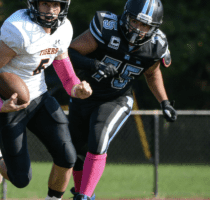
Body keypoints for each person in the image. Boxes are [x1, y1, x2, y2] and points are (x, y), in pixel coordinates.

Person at [0, 0, 92, 200]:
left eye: (56, 5)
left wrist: (76, 88)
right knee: (21, 179)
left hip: (39, 97)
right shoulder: (20, 30)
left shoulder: (63, 29)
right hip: (10, 104)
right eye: (45, 4)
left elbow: (64, 68)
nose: (51, 10)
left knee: (67, 157)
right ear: (34, 4)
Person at [67, 0, 177, 199]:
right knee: (76, 151)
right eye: (135, 21)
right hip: (84, 94)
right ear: (126, 16)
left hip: (116, 98)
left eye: (145, 25)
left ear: (154, 28)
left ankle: (84, 196)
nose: (138, 28)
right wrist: (95, 64)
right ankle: (83, 194)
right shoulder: (107, 28)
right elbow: (71, 52)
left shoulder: (155, 46)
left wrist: (165, 102)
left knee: (98, 137)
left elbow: (152, 74)